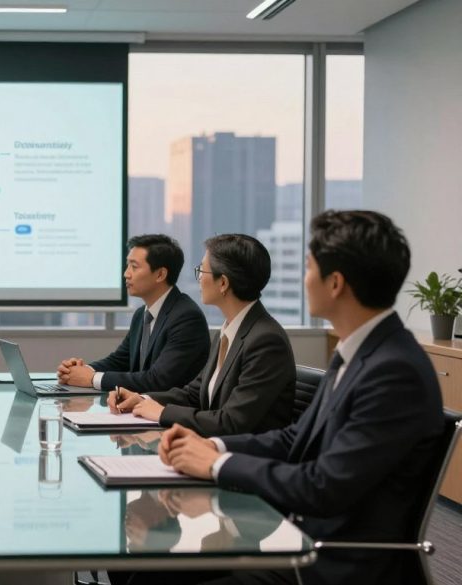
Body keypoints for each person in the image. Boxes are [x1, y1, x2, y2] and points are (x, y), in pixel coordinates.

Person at [159, 210, 443, 585]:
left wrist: (215, 466)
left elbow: (322, 487)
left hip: (331, 563)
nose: (303, 279)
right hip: (303, 539)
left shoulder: (393, 372)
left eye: (309, 268)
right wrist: (212, 445)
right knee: (154, 569)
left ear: (336, 283)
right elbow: (294, 439)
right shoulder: (358, 351)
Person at [109, 234, 296, 437]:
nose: (199, 278)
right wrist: (142, 399)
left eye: (202, 271)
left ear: (223, 283)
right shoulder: (228, 331)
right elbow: (193, 394)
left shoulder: (266, 341)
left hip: (244, 458)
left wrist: (163, 412)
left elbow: (231, 422)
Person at [57, 234, 210, 393]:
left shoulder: (186, 318)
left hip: (169, 413)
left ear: (160, 275)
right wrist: (78, 371)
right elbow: (120, 360)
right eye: (127, 266)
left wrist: (90, 378)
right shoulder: (141, 314)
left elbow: (157, 380)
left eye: (134, 267)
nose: (126, 274)